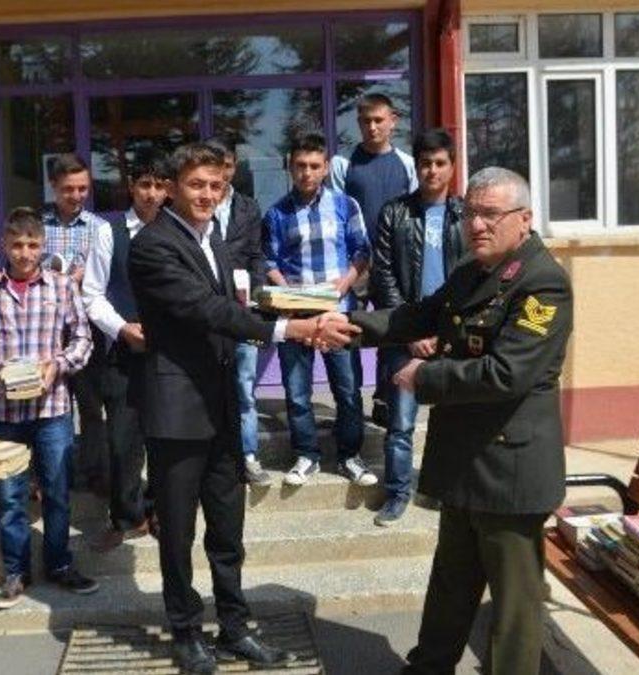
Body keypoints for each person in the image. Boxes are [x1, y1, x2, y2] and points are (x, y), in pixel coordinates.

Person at [330, 167, 573, 674]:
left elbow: (507, 373)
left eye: (491, 214)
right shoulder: (471, 269)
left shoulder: (543, 282)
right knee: (451, 584)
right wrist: (349, 326)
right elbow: (417, 316)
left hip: (509, 470)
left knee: (514, 606)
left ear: (524, 219)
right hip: (464, 460)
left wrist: (427, 376)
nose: (477, 225)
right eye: (470, 213)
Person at [128, 141, 358, 674]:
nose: (207, 194)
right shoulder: (152, 245)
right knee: (178, 533)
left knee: (227, 530)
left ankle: (234, 628)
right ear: (171, 188)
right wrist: (288, 329)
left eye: (216, 185)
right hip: (177, 411)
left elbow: (237, 300)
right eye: (196, 184)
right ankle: (186, 633)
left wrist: (297, 306)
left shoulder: (215, 239)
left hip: (223, 405)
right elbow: (205, 309)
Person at [0, 207, 99, 610]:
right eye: (17, 245)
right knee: (9, 498)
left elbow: (83, 339)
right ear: (4, 245)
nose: (24, 253)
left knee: (57, 492)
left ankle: (59, 564)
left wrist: (58, 365)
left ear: (43, 245)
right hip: (6, 415)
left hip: (52, 409)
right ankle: (16, 573)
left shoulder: (62, 287)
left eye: (32, 245)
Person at [263, 131, 376, 488]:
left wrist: (344, 285)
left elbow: (362, 251)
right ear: (290, 167)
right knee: (297, 392)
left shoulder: (346, 205)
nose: (307, 173)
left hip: (338, 313)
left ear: (326, 167)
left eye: (314, 166)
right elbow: (269, 260)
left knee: (348, 389)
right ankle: (306, 455)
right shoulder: (277, 213)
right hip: (296, 318)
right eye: (300, 165)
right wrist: (289, 293)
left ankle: (350, 456)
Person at [368, 129, 464, 526]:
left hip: (452, 335)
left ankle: (444, 490)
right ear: (416, 167)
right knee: (400, 424)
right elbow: (383, 277)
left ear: (452, 167)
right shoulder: (394, 213)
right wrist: (412, 333)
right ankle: (397, 493)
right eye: (425, 163)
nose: (432, 171)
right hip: (405, 332)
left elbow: (475, 277)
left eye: (440, 163)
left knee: (452, 421)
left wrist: (445, 333)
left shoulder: (466, 215)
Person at [81, 155, 168, 551]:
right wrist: (122, 329)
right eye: (145, 185)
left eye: (159, 186)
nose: (152, 194)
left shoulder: (177, 228)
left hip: (171, 354)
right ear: (132, 186)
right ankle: (126, 516)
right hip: (123, 350)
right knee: (122, 438)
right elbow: (92, 294)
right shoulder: (108, 231)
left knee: (166, 436)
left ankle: (161, 510)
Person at [329, 92, 419, 428]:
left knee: (391, 332)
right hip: (354, 266)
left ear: (393, 121)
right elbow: (337, 216)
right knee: (347, 331)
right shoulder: (343, 164)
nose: (372, 127)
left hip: (392, 265)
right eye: (366, 121)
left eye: (379, 120)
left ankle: (385, 399)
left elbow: (412, 215)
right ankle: (349, 406)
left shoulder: (407, 164)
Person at [205, 135, 272, 486]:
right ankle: (214, 458)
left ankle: (248, 455)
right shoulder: (195, 205)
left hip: (242, 311)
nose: (223, 172)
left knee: (244, 388)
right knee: (207, 388)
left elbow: (257, 255)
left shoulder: (248, 207)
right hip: (205, 313)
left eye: (228, 166)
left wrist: (256, 293)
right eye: (216, 166)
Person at [42, 153, 109, 493]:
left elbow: (105, 281)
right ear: (53, 186)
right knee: (50, 406)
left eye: (83, 188)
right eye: (69, 189)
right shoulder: (37, 226)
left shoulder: (99, 228)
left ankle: (93, 470)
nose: (77, 195)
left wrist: (86, 277)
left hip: (85, 330)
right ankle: (53, 474)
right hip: (44, 331)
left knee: (91, 405)